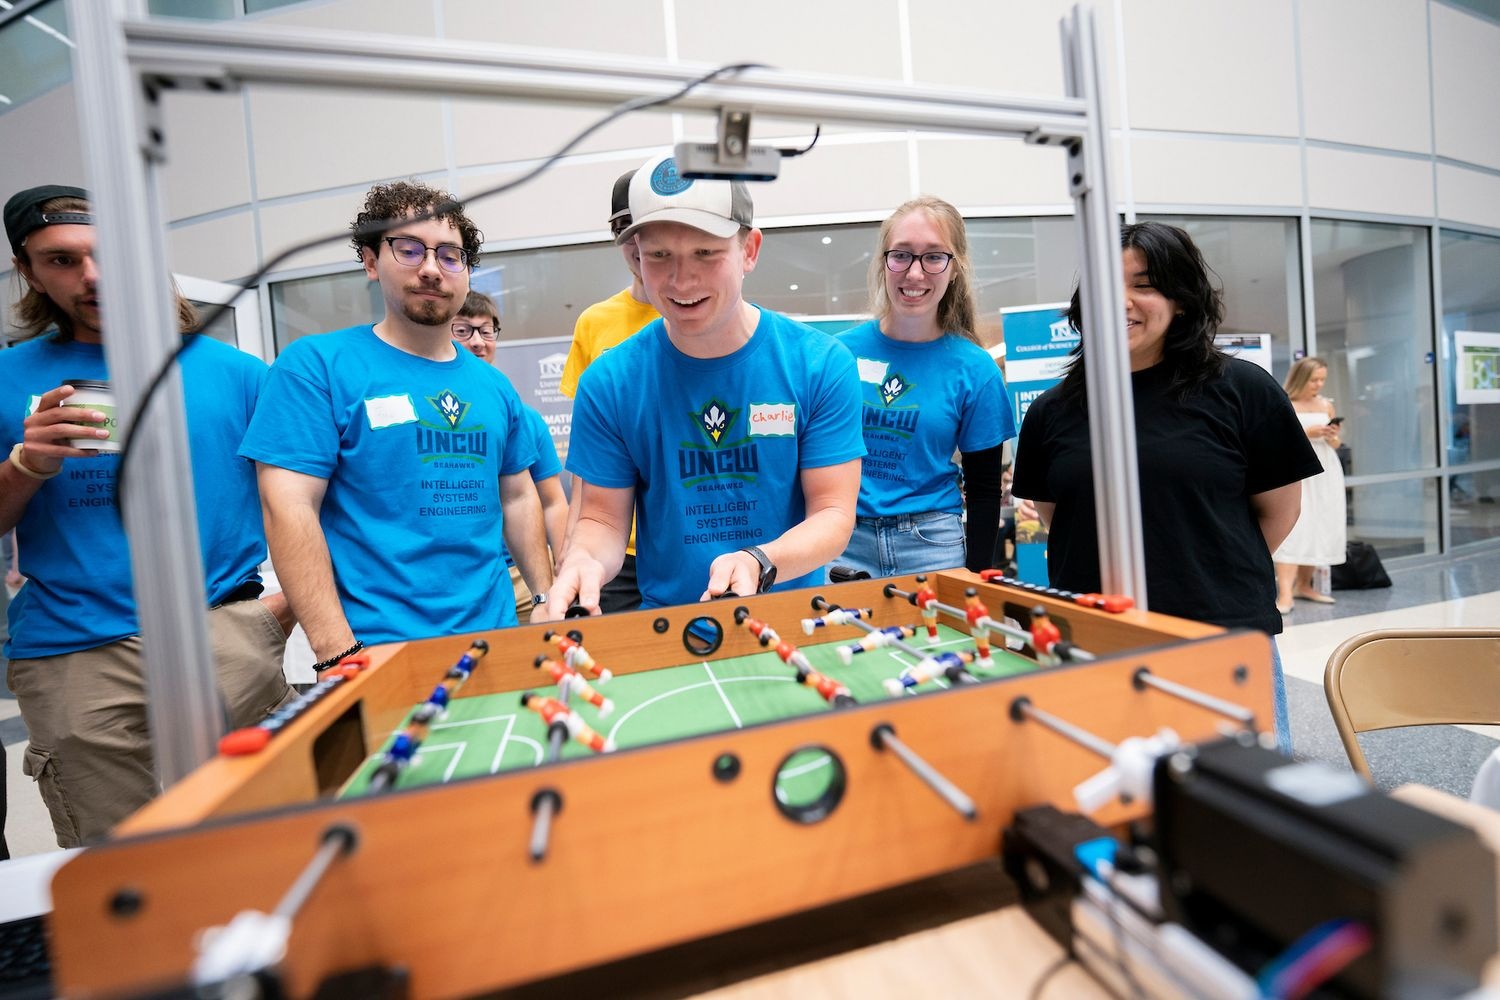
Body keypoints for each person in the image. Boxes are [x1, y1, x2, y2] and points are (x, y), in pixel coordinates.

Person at [0, 184, 296, 846]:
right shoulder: (8, 378)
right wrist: (28, 464)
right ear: (28, 271)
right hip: (74, 654)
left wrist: (273, 614)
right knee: (121, 872)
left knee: (270, 840)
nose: (93, 278)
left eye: (107, 255)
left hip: (225, 632)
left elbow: (302, 508)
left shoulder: (239, 374)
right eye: (62, 260)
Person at [1011, 221, 1321, 754]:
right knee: (1108, 805)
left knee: (1243, 813)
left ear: (1180, 300)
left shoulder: (1242, 389)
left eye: (1145, 284)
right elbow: (1055, 514)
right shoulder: (1053, 411)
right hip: (1095, 639)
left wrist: (1203, 569)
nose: (1123, 302)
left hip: (1218, 638)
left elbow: (1279, 511)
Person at [241, 181, 552, 668]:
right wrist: (335, 651)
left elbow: (517, 496)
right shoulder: (316, 367)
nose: (431, 268)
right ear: (370, 260)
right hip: (377, 650)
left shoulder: (494, 387)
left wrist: (546, 598)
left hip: (497, 642)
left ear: (467, 273)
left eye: (450, 256)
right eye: (409, 249)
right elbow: (288, 508)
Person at [542, 152, 864, 616]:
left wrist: (760, 560)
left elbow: (833, 514)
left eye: (705, 253)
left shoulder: (819, 364)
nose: (680, 279)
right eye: (658, 256)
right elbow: (600, 519)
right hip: (672, 622)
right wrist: (584, 562)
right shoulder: (610, 382)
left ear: (749, 251)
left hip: (794, 616)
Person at [835, 197, 1014, 577]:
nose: (914, 273)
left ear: (955, 268)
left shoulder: (975, 369)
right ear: (884, 262)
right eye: (901, 255)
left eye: (933, 256)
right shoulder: (839, 355)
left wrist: (978, 576)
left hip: (932, 544)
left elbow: (984, 490)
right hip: (842, 543)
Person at [557, 170, 663, 613]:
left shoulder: (710, 317)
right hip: (617, 548)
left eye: (649, 229)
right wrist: (572, 546)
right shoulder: (596, 323)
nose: (638, 246)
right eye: (626, 231)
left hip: (691, 540)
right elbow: (589, 456)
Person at [1273, 356, 1347, 613]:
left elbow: (1337, 445)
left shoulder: (1326, 406)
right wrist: (1308, 433)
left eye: (1322, 380)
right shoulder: (1285, 403)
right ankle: (1284, 593)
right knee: (1295, 528)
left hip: (1324, 469)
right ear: (1301, 378)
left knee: (1319, 525)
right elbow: (1276, 440)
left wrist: (1330, 436)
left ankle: (1304, 585)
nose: (1318, 384)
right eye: (1314, 379)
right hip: (1297, 469)